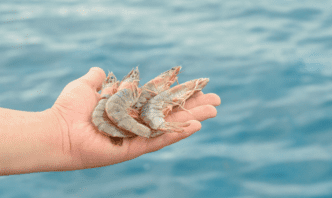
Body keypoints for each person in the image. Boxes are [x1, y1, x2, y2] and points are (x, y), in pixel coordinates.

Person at [0, 67, 221, 176]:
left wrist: (61, 133)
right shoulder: (116, 103)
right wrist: (62, 134)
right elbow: (125, 105)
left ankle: (143, 127)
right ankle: (146, 128)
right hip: (120, 115)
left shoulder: (118, 99)